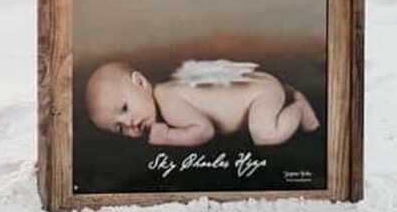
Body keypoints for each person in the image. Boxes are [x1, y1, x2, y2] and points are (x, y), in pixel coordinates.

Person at [85, 59, 320, 147]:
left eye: (124, 109)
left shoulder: (168, 101)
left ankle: (298, 106)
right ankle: (293, 98)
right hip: (259, 84)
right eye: (120, 128)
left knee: (265, 135)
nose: (130, 124)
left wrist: (167, 137)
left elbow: (204, 131)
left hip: (260, 96)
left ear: (140, 82)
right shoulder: (167, 90)